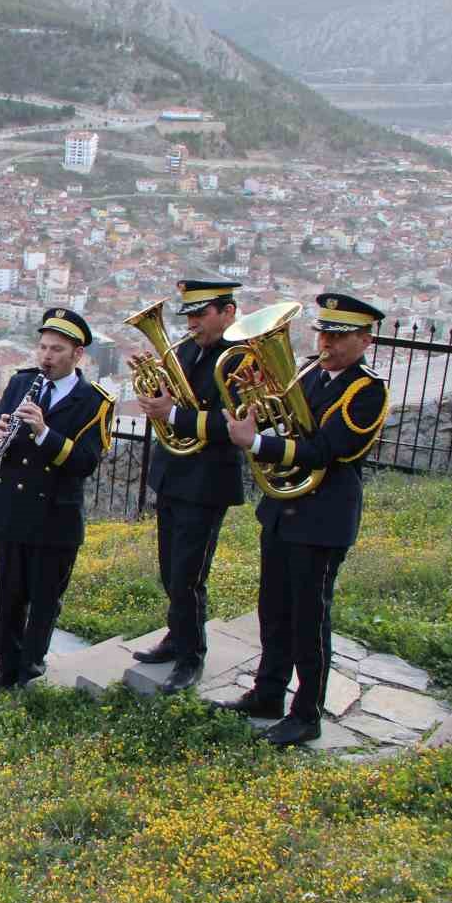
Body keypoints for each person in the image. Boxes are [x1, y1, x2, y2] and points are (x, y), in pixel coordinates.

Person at [218, 293, 388, 747]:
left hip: (323, 517)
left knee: (309, 619)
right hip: (282, 511)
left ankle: (307, 713)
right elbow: (281, 417)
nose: (327, 342)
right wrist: (249, 391)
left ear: (364, 340)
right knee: (273, 610)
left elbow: (329, 452)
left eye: (338, 335)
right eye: (323, 332)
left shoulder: (367, 391)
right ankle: (268, 693)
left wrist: (257, 445)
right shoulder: (309, 371)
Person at [0, 308, 115, 693]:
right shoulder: (22, 383)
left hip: (55, 516)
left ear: (78, 355)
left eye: (56, 349)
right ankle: (5, 666)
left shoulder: (95, 402)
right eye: (43, 347)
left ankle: (30, 667)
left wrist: (43, 432)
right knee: (8, 595)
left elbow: (85, 462)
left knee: (43, 599)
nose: (46, 357)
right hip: (10, 509)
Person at [132, 281, 247, 693]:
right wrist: (151, 395)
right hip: (173, 474)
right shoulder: (183, 351)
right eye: (190, 316)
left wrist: (174, 414)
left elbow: (236, 423)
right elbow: (166, 406)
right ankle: (176, 635)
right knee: (169, 569)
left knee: (188, 574)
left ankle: (191, 654)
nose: (193, 323)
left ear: (228, 312)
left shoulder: (241, 359)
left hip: (208, 481)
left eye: (201, 314)